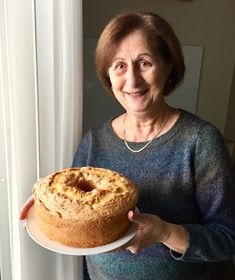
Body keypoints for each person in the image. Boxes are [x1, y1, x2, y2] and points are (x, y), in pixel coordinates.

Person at [20, 11, 235, 280]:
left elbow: (227, 238)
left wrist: (165, 232)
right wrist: (48, 205)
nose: (132, 80)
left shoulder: (200, 141)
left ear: (168, 65)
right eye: (119, 66)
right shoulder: (94, 140)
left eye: (144, 63)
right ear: (108, 75)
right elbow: (78, 220)